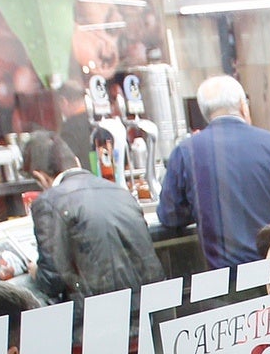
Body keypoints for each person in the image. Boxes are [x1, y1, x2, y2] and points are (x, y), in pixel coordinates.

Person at [157, 76, 270, 269]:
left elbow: (170, 216)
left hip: (229, 280)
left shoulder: (186, 152)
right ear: (243, 107)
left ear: (205, 114)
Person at [22, 130, 164, 303]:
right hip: (146, 306)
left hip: (96, 317)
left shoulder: (49, 202)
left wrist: (36, 272)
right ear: (76, 162)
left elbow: (52, 280)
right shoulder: (120, 192)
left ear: (40, 177)